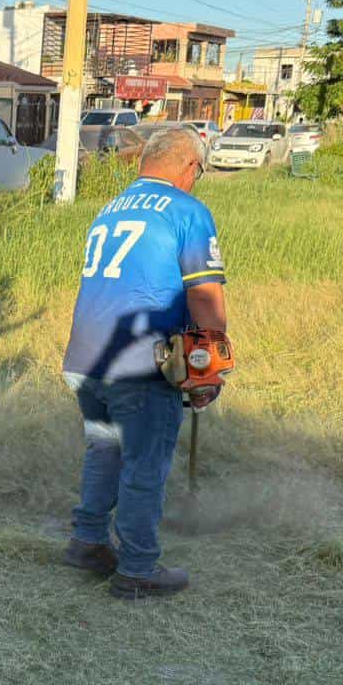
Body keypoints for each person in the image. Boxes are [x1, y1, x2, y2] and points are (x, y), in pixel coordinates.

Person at [60, 127, 229, 600]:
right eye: (200, 171)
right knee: (144, 463)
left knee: (105, 448)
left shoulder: (109, 208)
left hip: (87, 357)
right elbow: (204, 295)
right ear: (189, 166)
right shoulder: (187, 211)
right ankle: (137, 569)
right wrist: (208, 366)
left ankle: (88, 542)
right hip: (140, 362)